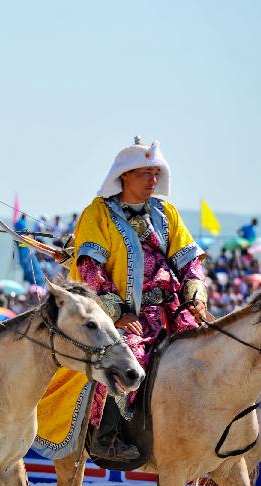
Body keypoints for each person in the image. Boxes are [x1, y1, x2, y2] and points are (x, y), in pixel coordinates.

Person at [36, 140, 208, 462]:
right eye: (145, 173)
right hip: (124, 316)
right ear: (125, 175)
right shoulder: (97, 213)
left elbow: (188, 260)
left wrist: (195, 290)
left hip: (170, 310)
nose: (152, 181)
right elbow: (90, 268)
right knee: (126, 357)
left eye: (156, 174)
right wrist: (115, 311)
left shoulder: (165, 212)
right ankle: (106, 436)